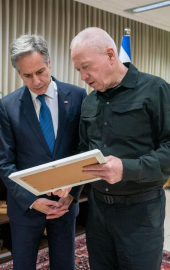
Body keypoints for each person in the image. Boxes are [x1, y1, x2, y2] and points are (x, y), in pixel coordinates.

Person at [70, 27, 170, 270]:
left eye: (87, 66)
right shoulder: (89, 102)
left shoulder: (155, 89)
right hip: (98, 211)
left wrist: (128, 169)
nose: (83, 76)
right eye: (79, 70)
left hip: (141, 212)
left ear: (111, 55)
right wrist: (68, 185)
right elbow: (84, 152)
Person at [0, 34, 87, 270]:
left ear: (49, 62)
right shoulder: (8, 106)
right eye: (27, 75)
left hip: (65, 204)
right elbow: (5, 163)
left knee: (64, 264)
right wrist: (33, 201)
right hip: (26, 207)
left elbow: (83, 149)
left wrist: (72, 194)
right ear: (19, 74)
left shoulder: (77, 97)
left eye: (40, 71)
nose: (36, 81)